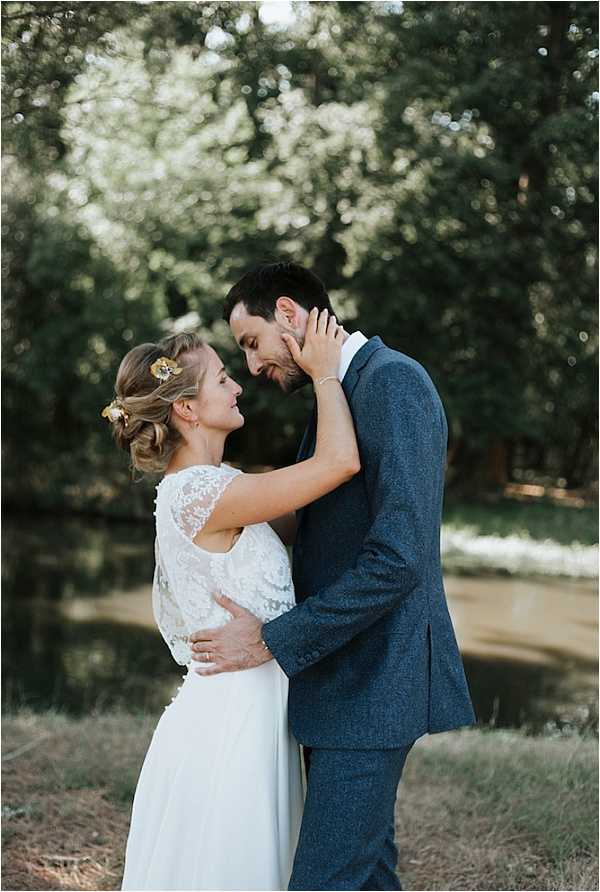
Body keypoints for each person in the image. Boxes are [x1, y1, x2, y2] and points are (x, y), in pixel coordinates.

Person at [189, 261, 477, 891]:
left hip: (377, 679)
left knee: (324, 879)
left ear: (289, 314)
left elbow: (400, 557)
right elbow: (320, 524)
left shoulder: (392, 383)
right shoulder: (335, 392)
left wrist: (273, 638)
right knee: (367, 872)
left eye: (252, 343)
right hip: (338, 679)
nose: (255, 366)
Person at [102, 316, 360, 891]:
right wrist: (324, 373)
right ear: (187, 410)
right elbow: (338, 464)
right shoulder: (200, 494)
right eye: (222, 378)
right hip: (232, 720)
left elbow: (311, 509)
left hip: (255, 705)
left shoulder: (219, 483)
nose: (238, 384)